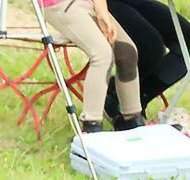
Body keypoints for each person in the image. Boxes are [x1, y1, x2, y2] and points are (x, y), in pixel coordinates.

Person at [41, 0, 146, 131]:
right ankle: (91, 125)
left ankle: (132, 121)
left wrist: (101, 10)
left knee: (126, 52)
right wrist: (101, 12)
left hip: (89, 3)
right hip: (60, 4)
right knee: (102, 55)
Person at [105, 0, 190, 124]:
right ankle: (122, 103)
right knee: (151, 46)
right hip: (99, 4)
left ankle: (132, 96)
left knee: (186, 45)